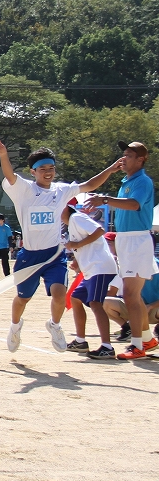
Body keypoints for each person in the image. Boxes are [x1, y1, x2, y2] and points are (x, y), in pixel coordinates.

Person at [0, 135, 124, 353]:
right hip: (29, 256)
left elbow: (89, 185)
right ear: (33, 172)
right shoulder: (24, 189)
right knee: (23, 298)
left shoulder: (61, 190)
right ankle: (15, 327)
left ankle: (54, 325)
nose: (48, 172)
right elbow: (10, 176)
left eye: (51, 168)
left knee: (60, 295)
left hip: (54, 255)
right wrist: (4, 155)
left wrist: (110, 169)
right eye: (42, 168)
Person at [83, 141, 159, 360]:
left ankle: (138, 345)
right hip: (127, 240)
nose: (124, 158)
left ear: (141, 160)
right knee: (132, 295)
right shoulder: (128, 181)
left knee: (131, 295)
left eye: (129, 155)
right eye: (124, 154)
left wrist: (105, 199)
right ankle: (146, 339)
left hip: (136, 239)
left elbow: (134, 204)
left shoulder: (142, 181)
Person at [61, 203, 118, 358]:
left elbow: (99, 231)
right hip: (91, 270)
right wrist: (77, 260)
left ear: (65, 208)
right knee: (75, 298)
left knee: (95, 303)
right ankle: (80, 341)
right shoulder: (72, 223)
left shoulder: (76, 217)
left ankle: (107, 346)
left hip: (99, 267)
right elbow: (86, 244)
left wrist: (76, 245)